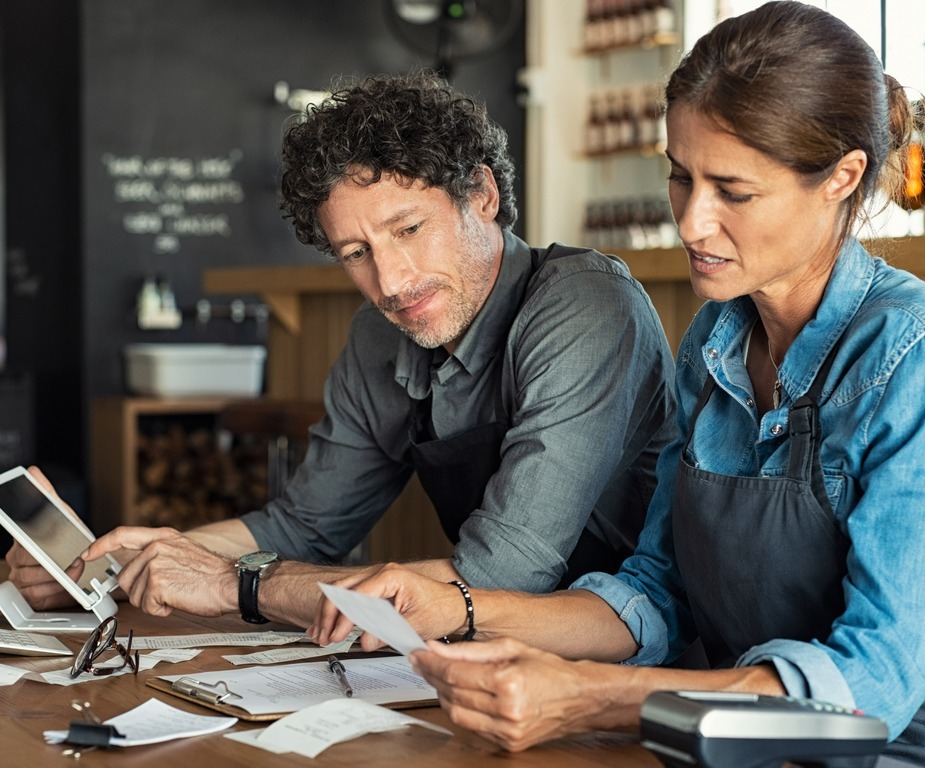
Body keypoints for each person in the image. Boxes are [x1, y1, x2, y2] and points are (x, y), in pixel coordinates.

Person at [308, 4, 925, 765]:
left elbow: (880, 678)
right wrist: (456, 607)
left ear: (842, 177)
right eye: (681, 177)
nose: (691, 222)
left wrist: (592, 696)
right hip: (715, 741)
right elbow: (655, 591)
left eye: (733, 192)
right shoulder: (715, 343)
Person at [6, 72, 677, 626]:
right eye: (356, 253)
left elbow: (499, 577)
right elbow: (304, 525)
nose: (390, 282)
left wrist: (239, 586)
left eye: (409, 228)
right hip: (491, 658)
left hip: (635, 659)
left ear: (481, 195)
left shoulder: (585, 308)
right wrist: (113, 563)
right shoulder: (379, 336)